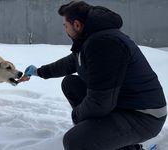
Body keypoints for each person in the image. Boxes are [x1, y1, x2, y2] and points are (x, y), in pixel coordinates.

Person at [19, 1, 167, 150]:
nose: (65, 30)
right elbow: (70, 63)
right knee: (70, 83)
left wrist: (77, 116)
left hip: (144, 115)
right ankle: (110, 140)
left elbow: (100, 103)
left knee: (75, 142)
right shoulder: (91, 38)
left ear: (76, 25)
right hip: (122, 103)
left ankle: (121, 145)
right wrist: (38, 71)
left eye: (65, 26)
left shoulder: (104, 44)